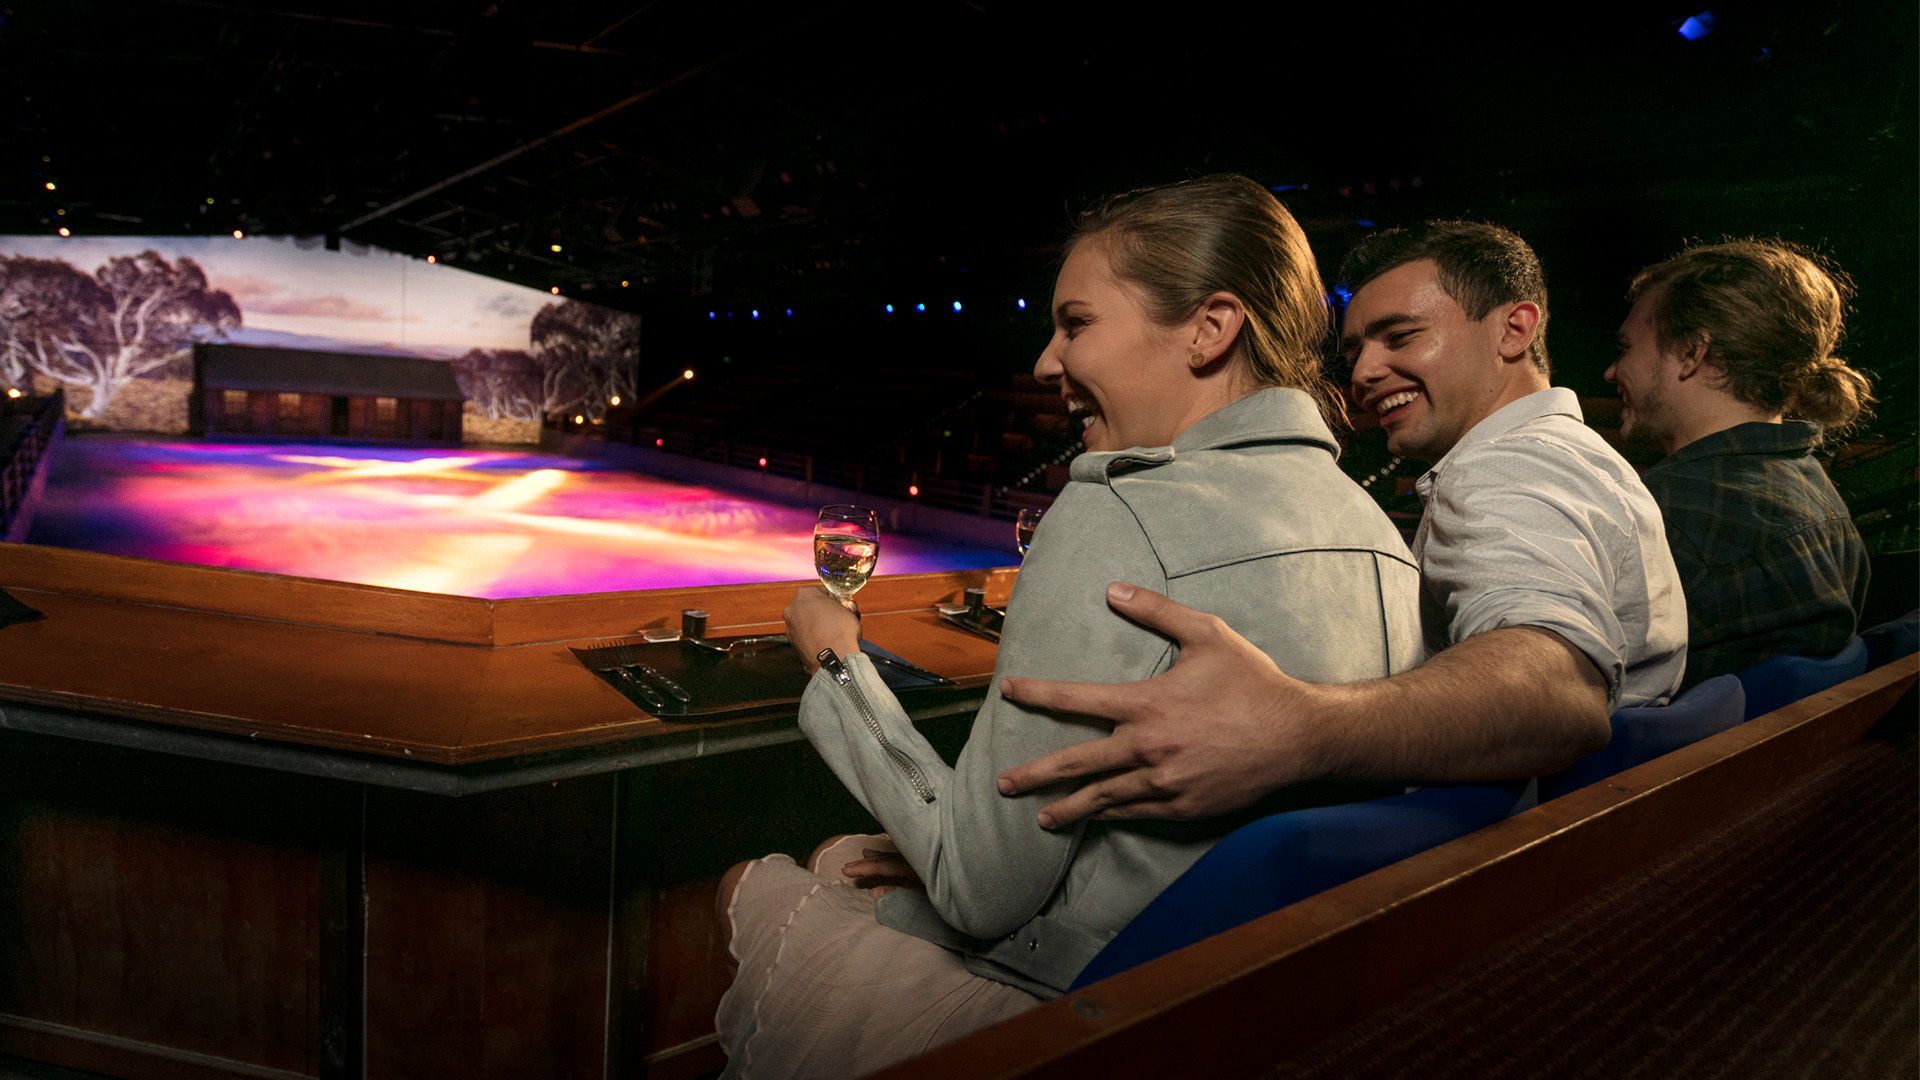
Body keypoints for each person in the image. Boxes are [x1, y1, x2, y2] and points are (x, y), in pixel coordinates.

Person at [712, 174, 1425, 1079]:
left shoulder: (1114, 510)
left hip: (1097, 1008)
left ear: (1210, 328)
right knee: (850, 859)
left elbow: (978, 888)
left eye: (1076, 324)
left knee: (747, 884)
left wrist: (836, 661)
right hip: (1262, 995)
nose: (1047, 362)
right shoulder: (1379, 530)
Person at [995, 221, 1688, 826]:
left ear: (1515, 329)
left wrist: (1296, 727)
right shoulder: (1578, 455)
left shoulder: (1504, 469)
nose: (1364, 373)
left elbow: (1557, 694)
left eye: (1401, 336)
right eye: (1355, 351)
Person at [1606, 239, 1871, 690]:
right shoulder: (1819, 493)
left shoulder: (1659, 517)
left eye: (1627, 347)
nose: (1613, 371)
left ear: (1692, 353)